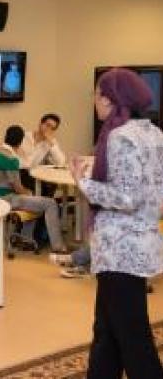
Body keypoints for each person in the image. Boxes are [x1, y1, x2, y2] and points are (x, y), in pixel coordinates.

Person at [70, 68, 163, 378]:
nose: (95, 99)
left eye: (98, 93)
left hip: (120, 250)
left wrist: (82, 181)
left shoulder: (120, 136)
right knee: (106, 332)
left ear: (110, 99)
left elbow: (126, 196)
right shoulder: (152, 132)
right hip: (138, 244)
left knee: (133, 338)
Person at [0, 125, 68, 253]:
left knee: (33, 200)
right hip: (6, 199)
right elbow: (17, 188)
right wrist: (29, 193)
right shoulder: (11, 159)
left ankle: (24, 238)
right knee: (50, 203)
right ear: (21, 142)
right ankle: (58, 246)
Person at [18, 113, 66, 196]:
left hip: (33, 173)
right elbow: (26, 163)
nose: (49, 129)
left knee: (51, 183)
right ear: (40, 123)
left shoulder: (49, 142)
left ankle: (45, 206)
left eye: (52, 128)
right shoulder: (24, 137)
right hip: (20, 171)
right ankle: (44, 205)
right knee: (44, 186)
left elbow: (61, 162)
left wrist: (51, 143)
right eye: (47, 125)